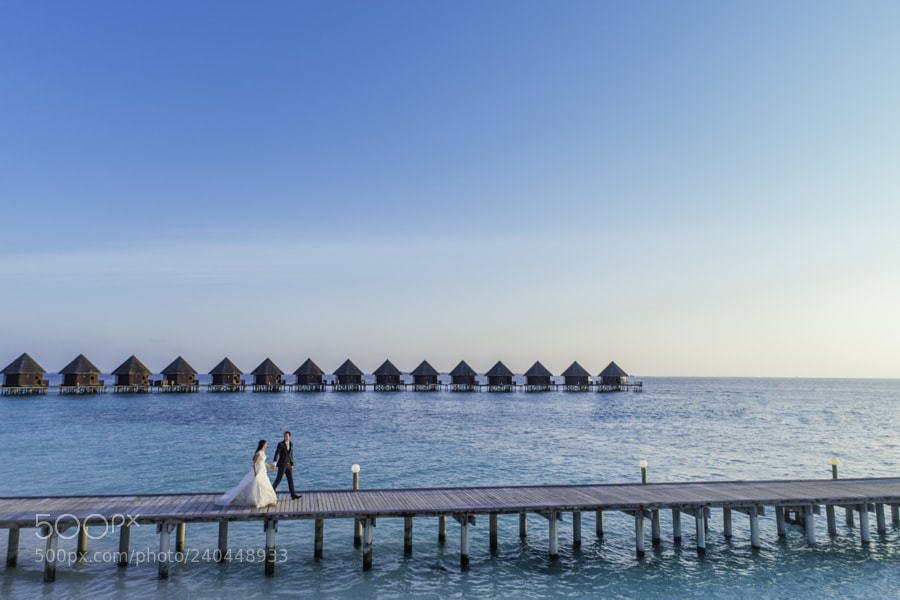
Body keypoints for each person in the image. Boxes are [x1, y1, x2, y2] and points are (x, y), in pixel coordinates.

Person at [215, 440, 278, 508]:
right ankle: (257, 501)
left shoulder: (263, 452)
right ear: (263, 445)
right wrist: (255, 472)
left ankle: (266, 500)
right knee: (258, 485)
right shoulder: (258, 453)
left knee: (265, 485)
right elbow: (254, 464)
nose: (267, 445)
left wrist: (270, 467)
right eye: (266, 444)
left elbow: (263, 462)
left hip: (263, 471)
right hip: (258, 471)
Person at [272, 431, 300, 499]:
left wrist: (292, 464)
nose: (286, 437)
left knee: (290, 480)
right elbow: (277, 453)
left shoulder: (291, 443)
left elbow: (291, 455)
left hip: (289, 465)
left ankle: (293, 495)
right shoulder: (280, 444)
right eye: (285, 436)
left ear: (290, 437)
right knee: (278, 479)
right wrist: (275, 462)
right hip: (282, 465)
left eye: (287, 436)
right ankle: (271, 492)